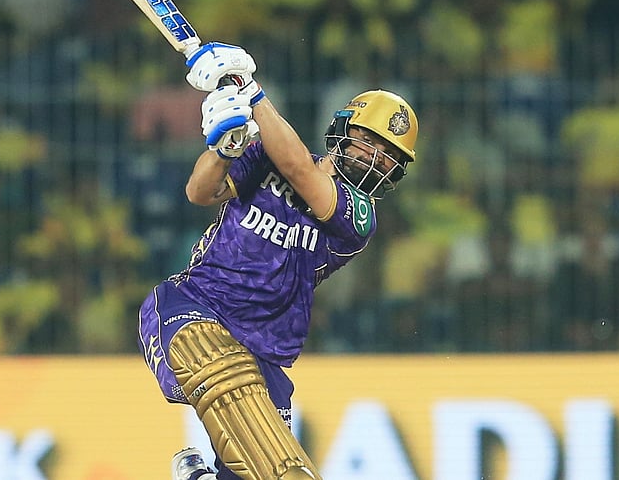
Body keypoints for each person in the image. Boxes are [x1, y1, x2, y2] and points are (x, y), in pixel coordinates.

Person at [138, 43, 419, 480]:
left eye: (388, 157)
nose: (374, 158)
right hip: (192, 311)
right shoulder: (265, 153)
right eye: (368, 141)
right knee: (219, 367)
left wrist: (251, 90)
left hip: (264, 352)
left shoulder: (359, 216)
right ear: (342, 132)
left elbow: (300, 170)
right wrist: (224, 149)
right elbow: (198, 192)